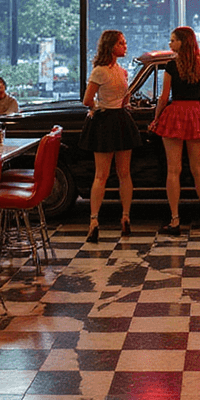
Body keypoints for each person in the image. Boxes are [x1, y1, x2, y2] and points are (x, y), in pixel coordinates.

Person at [148, 26, 200, 234]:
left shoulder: (171, 66)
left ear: (182, 42)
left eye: (173, 40)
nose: (170, 44)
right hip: (196, 113)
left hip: (175, 114)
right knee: (199, 171)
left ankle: (175, 219)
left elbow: (164, 96)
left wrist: (156, 118)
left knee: (173, 171)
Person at [78, 30, 140, 242]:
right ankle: (126, 217)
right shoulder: (122, 73)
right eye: (121, 43)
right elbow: (125, 101)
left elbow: (87, 100)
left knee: (100, 175)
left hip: (104, 121)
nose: (125, 46)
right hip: (122, 120)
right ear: (111, 46)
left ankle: (94, 220)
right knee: (124, 173)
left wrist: (96, 107)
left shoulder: (99, 71)